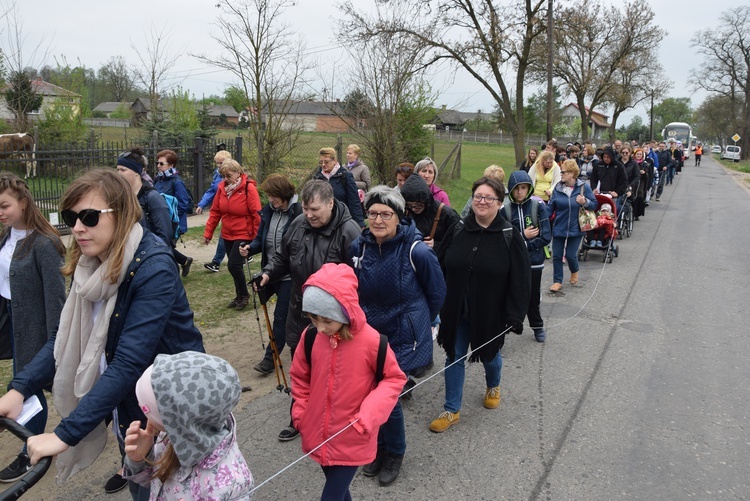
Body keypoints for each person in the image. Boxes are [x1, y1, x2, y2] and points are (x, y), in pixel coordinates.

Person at [0, 169, 204, 498]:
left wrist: (65, 434)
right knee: (143, 485)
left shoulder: (154, 269)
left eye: (90, 217)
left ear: (121, 214)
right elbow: (63, 338)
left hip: (170, 412)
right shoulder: (89, 262)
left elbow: (128, 362)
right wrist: (20, 388)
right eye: (71, 217)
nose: (78, 227)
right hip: (130, 408)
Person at [350, 186, 446, 486]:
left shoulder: (415, 250)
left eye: (386, 214)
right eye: (373, 213)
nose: (378, 220)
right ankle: (377, 449)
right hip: (369, 336)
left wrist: (420, 323)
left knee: (387, 399)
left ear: (398, 217)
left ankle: (395, 453)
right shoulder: (358, 248)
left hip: (403, 337)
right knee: (368, 394)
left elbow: (437, 292)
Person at [291, 263, 406, 500]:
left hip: (354, 433)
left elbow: (393, 379)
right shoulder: (310, 336)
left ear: (345, 313)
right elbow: (300, 377)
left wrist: (368, 415)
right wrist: (301, 414)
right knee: (341, 494)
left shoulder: (372, 341)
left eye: (327, 320)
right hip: (317, 431)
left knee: (331, 497)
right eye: (313, 318)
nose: (320, 327)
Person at [259, 180, 361, 441]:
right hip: (300, 308)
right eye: (305, 209)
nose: (309, 215)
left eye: (314, 209)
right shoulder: (298, 224)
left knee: (334, 369)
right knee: (302, 367)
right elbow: (282, 256)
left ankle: (336, 418)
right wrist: (269, 273)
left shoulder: (349, 231)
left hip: (335, 318)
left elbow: (358, 278)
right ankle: (299, 416)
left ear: (330, 203)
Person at [429, 177, 530, 433]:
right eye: (477, 197)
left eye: (488, 198)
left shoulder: (509, 236)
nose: (482, 202)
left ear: (499, 202)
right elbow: (439, 264)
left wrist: (515, 315)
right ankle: (451, 410)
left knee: (490, 354)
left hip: (489, 312)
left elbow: (521, 279)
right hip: (456, 310)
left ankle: (493, 384)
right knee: (454, 356)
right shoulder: (459, 229)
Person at [0, 173, 66, 482]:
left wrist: (54, 341)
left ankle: (31, 453)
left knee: (29, 385)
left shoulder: (44, 243)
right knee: (30, 384)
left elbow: (56, 299)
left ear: (24, 203)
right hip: (13, 320)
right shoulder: (7, 236)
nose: (1, 213)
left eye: (5, 206)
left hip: (39, 326)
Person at [123, 352, 252, 499]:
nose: (147, 419)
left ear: (179, 417)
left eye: (150, 412)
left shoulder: (227, 485)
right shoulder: (172, 436)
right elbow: (155, 481)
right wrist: (140, 458)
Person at [239, 173, 302, 375]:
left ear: (283, 193)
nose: (270, 200)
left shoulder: (298, 213)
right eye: (268, 196)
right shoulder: (269, 212)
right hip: (269, 272)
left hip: (289, 276)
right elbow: (261, 240)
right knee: (271, 313)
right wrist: (250, 248)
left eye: (273, 195)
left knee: (280, 318)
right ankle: (291, 343)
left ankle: (270, 359)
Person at [203, 159, 262, 311]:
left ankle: (244, 295)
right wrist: (208, 233)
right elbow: (215, 211)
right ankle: (239, 295)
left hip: (244, 232)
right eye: (223, 176)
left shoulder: (249, 189)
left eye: (229, 175)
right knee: (235, 267)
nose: (226, 179)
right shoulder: (222, 189)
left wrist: (258, 238)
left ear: (238, 173)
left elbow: (257, 214)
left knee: (233, 265)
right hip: (228, 233)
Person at [503, 170, 552, 343]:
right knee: (511, 295)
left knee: (532, 296)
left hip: (534, 262)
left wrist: (525, 245)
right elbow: (504, 238)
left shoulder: (538, 207)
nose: (520, 192)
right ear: (511, 189)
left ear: (529, 189)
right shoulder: (505, 210)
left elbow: (546, 236)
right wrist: (522, 237)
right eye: (517, 188)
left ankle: (537, 326)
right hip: (513, 263)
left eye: (524, 188)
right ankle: (506, 328)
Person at [548, 160, 598, 292]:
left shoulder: (583, 188)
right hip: (559, 227)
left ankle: (574, 271)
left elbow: (594, 204)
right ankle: (557, 281)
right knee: (557, 255)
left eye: (563, 172)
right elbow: (550, 209)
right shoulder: (557, 188)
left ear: (572, 173)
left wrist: (585, 201)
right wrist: (541, 218)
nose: (561, 174)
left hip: (577, 228)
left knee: (570, 255)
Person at [116, 149, 173, 248]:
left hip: (148, 256)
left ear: (136, 172)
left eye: (123, 170)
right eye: (118, 170)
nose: (119, 174)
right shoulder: (121, 197)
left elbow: (165, 236)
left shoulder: (153, 198)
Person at [153, 149, 194, 277]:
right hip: (158, 221)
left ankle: (173, 271)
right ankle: (184, 261)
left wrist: (169, 217)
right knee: (161, 246)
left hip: (173, 223)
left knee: (163, 247)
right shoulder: (158, 179)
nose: (158, 166)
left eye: (161, 163)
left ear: (171, 165)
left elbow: (183, 203)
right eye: (157, 163)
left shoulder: (176, 182)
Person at [400, 174, 459, 250]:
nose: (414, 209)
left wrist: (436, 245)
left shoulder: (447, 215)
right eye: (410, 205)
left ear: (426, 201)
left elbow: (459, 243)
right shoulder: (406, 212)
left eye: (418, 205)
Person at [197, 150, 233, 272]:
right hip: (221, 206)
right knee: (225, 235)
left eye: (221, 163)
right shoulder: (217, 175)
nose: (219, 166)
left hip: (232, 208)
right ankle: (217, 262)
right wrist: (202, 204)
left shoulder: (234, 175)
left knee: (226, 235)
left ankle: (218, 262)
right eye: (217, 163)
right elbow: (212, 190)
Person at [314, 147, 365, 228]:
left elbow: (354, 201)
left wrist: (359, 223)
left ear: (334, 161)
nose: (323, 165)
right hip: (323, 222)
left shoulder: (345, 176)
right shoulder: (317, 178)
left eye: (326, 162)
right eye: (321, 162)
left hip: (342, 222)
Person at [589, 145, 628, 210]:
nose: (606, 159)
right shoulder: (598, 165)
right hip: (600, 193)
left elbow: (624, 181)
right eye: (604, 157)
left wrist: (617, 192)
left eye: (608, 157)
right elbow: (593, 179)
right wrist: (594, 188)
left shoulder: (619, 166)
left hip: (614, 194)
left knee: (616, 209)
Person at [632, 148, 653, 220]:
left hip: (641, 182)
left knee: (639, 196)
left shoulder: (644, 164)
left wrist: (644, 173)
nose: (638, 155)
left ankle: (637, 214)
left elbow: (648, 175)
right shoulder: (632, 163)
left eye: (640, 154)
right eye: (637, 154)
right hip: (633, 182)